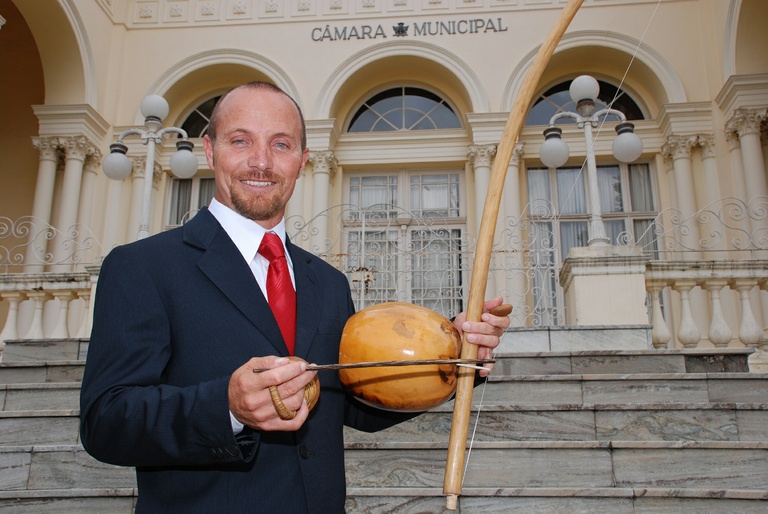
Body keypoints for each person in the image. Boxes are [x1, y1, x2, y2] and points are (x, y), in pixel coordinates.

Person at [80, 81, 510, 514]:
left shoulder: (327, 282)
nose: (261, 161)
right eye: (240, 140)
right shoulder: (144, 266)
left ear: (303, 161)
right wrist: (226, 407)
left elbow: (357, 405)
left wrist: (453, 360)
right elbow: (105, 421)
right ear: (210, 150)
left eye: (281, 144)